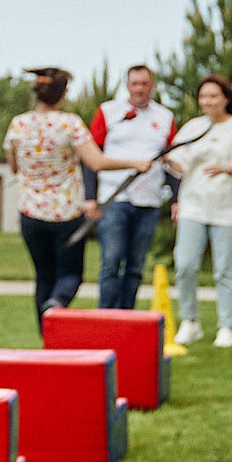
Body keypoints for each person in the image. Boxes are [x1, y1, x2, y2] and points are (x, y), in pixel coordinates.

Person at [4, 67, 133, 322]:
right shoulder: (70, 123)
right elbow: (96, 162)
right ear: (62, 94)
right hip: (66, 213)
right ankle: (58, 302)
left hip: (31, 213)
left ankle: (46, 337)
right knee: (70, 275)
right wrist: (136, 163)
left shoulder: (18, 124)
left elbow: (13, 165)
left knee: (43, 275)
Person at [164, 74, 232, 349]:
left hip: (228, 210)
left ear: (226, 98)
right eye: (203, 96)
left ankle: (225, 326)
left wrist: (226, 168)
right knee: (184, 265)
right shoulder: (193, 128)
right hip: (193, 205)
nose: (207, 101)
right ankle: (190, 321)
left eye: (213, 96)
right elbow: (177, 161)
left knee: (225, 270)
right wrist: (169, 161)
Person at [88, 64, 174, 311]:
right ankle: (106, 314)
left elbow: (172, 162)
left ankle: (128, 314)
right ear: (127, 86)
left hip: (148, 200)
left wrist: (176, 198)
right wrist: (90, 197)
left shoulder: (165, 117)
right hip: (114, 196)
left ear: (152, 86)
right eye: (135, 84)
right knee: (112, 261)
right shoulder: (109, 111)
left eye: (145, 84)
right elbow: (92, 155)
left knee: (136, 265)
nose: (140, 89)